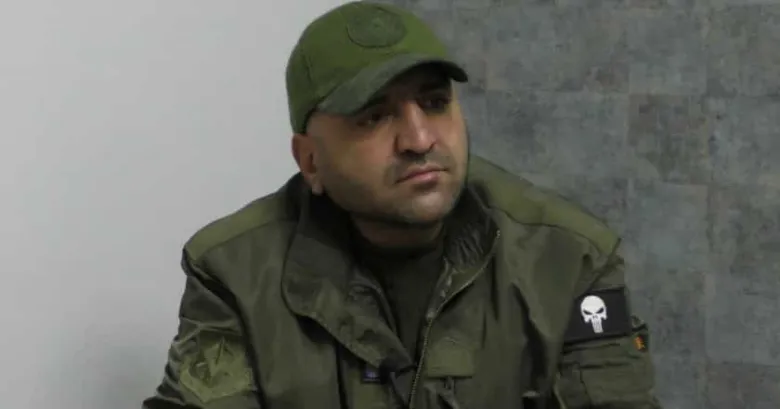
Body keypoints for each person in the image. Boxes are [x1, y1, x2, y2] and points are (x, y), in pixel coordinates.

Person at [141, 2, 662, 408]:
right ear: (311, 161)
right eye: (374, 116)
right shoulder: (234, 274)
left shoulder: (569, 261)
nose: (419, 139)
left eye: (435, 103)